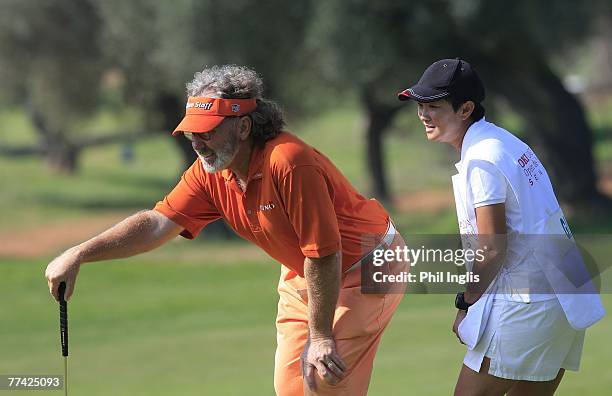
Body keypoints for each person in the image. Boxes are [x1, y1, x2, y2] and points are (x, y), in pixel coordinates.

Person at [45, 64, 407, 396]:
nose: (198, 144)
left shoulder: (289, 162)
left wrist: (322, 335)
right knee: (292, 388)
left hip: (369, 263)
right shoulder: (210, 172)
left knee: (321, 382)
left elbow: (325, 253)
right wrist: (79, 253)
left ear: (244, 126)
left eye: (208, 132)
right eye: (192, 134)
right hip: (308, 272)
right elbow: (157, 224)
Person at [397, 59, 605, 396]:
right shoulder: (504, 141)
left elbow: (492, 247)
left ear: (465, 109)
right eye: (420, 105)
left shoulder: (482, 157)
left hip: (530, 302)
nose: (423, 114)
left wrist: (466, 302)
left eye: (433, 105)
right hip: (564, 291)